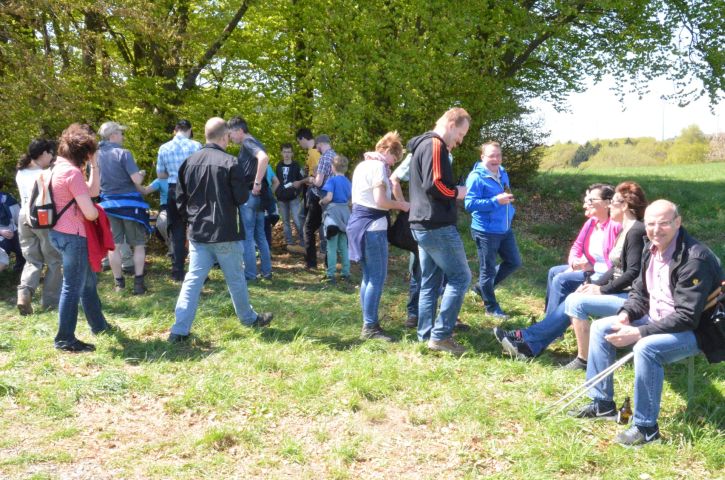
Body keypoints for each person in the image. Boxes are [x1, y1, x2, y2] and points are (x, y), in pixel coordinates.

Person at [569, 200, 723, 446]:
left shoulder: (695, 258)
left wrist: (639, 332)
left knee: (646, 348)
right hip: (657, 317)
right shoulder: (650, 249)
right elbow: (640, 293)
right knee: (601, 327)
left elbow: (686, 317)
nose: (656, 229)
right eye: (651, 223)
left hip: (696, 330)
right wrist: (626, 315)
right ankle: (602, 403)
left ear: (677, 223)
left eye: (663, 223)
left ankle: (646, 428)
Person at [494, 182, 648, 368]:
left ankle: (532, 342)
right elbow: (616, 268)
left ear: (624, 206)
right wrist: (596, 285)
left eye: (613, 202)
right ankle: (529, 339)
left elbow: (632, 272)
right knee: (575, 292)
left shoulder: (636, 231)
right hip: (621, 291)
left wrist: (601, 289)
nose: (610, 206)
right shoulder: (627, 229)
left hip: (631, 298)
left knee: (575, 299)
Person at [168, 118, 273, 343]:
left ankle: (179, 330)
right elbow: (241, 197)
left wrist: (192, 219)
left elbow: (179, 198)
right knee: (235, 279)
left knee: (193, 281)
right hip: (225, 231)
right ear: (224, 137)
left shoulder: (189, 162)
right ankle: (248, 319)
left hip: (198, 232)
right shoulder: (230, 162)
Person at [408, 108, 471, 355]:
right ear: (451, 124)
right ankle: (441, 336)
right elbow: (436, 185)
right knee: (461, 278)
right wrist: (458, 192)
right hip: (436, 224)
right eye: (461, 133)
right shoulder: (435, 145)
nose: (461, 140)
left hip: (421, 224)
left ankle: (426, 335)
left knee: (430, 282)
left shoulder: (421, 146)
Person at [49, 123, 112, 352]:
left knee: (87, 284)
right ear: (83, 152)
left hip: (58, 233)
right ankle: (65, 339)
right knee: (73, 287)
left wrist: (94, 165)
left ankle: (99, 325)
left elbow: (93, 192)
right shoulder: (72, 173)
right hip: (73, 236)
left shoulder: (58, 167)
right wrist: (99, 212)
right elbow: (90, 211)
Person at [347, 132, 409, 341]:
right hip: (371, 227)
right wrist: (401, 204)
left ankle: (369, 321)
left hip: (358, 225)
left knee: (368, 276)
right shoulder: (377, 167)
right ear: (387, 151)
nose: (393, 164)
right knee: (377, 277)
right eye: (394, 158)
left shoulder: (362, 165)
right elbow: (380, 201)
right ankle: (370, 327)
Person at [542, 184, 621, 318]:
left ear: (607, 203)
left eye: (591, 200)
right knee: (554, 271)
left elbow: (615, 262)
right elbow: (577, 245)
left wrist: (591, 266)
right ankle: (549, 316)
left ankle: (552, 323)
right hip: (591, 268)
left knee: (561, 279)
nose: (586, 205)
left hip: (603, 275)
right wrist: (574, 263)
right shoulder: (592, 222)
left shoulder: (615, 226)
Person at [465, 141, 521, 318]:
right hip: (485, 230)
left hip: (504, 228)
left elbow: (506, 191)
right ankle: (491, 307)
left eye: (498, 155)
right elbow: (469, 204)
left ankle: (481, 288)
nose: (495, 159)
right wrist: (496, 201)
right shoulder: (476, 177)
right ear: (483, 157)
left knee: (514, 262)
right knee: (487, 270)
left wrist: (509, 208)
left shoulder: (502, 172)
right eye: (491, 156)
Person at [97, 121, 150, 295]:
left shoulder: (96, 155)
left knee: (114, 246)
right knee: (139, 245)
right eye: (120, 133)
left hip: (108, 205)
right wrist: (141, 173)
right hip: (130, 206)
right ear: (113, 136)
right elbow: (137, 180)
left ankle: (119, 284)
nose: (122, 136)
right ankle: (138, 284)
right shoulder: (123, 153)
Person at [14, 139, 63, 315]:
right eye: (50, 153)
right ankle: (50, 303)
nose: (51, 157)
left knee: (32, 260)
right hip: (42, 218)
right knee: (54, 260)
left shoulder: (21, 172)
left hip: (23, 217)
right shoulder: (45, 174)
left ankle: (25, 292)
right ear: (43, 153)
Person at [156, 119, 202, 282]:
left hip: (173, 189)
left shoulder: (164, 148)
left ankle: (177, 271)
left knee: (176, 231)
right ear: (189, 130)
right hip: (193, 189)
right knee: (196, 229)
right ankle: (199, 271)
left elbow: (160, 174)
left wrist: (173, 173)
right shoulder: (196, 146)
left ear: (175, 130)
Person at [228, 116, 272, 281]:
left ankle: (250, 275)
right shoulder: (256, 141)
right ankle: (267, 272)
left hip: (251, 195)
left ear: (240, 130)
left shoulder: (248, 143)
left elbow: (264, 158)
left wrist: (257, 183)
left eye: (231, 134)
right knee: (260, 235)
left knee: (247, 236)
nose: (231, 138)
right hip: (259, 198)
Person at [303, 134, 335, 270]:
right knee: (329, 230)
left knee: (308, 228)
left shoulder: (323, 158)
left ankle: (311, 263)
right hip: (333, 198)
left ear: (320, 144)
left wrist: (311, 180)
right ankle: (329, 265)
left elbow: (319, 182)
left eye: (318, 147)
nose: (318, 150)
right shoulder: (335, 156)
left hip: (319, 198)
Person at [320, 154, 352, 284]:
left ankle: (331, 273)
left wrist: (321, 202)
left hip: (333, 214)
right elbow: (351, 201)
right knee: (344, 246)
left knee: (331, 246)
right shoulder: (349, 182)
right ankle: (346, 272)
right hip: (345, 213)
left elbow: (329, 197)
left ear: (333, 167)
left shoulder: (331, 181)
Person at [275, 143, 305, 250]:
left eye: (288, 152)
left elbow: (302, 180)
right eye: (284, 152)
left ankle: (303, 241)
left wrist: (298, 192)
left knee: (297, 219)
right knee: (286, 221)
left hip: (294, 197)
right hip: (281, 198)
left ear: (292, 153)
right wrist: (277, 193)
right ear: (281, 153)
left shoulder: (296, 165)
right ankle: (289, 242)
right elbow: (276, 181)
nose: (287, 154)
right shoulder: (279, 165)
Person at [0, 189, 24, 273]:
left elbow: (19, 217)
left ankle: (19, 269)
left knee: (22, 248)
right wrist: (1, 232)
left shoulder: (9, 199)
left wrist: (17, 229)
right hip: (1, 234)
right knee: (3, 248)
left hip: (14, 230)